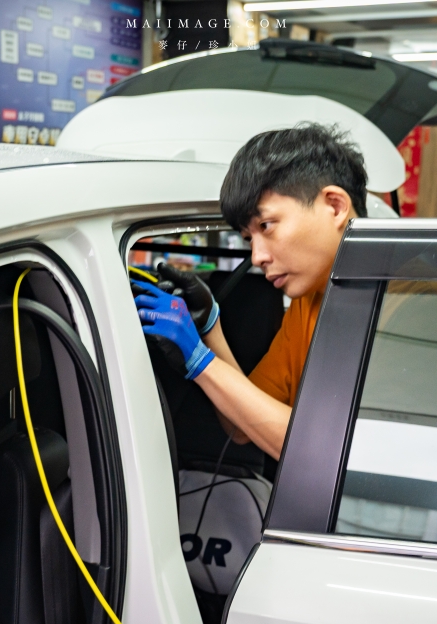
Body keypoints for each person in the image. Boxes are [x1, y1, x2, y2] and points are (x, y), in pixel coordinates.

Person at [131, 123, 366, 460]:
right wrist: (210, 329)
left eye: (266, 226)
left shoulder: (420, 301)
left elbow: (328, 454)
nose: (257, 257)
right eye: (248, 239)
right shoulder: (309, 303)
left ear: (334, 206)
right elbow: (244, 426)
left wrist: (202, 362)